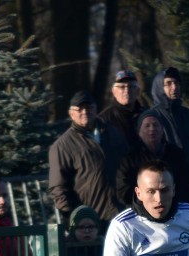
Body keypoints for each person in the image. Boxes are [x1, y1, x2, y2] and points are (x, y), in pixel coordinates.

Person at [49, 91, 129, 224]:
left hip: (122, 213)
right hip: (89, 220)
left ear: (96, 109)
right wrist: (74, 217)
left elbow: (130, 166)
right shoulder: (62, 146)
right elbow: (58, 188)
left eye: (89, 108)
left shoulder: (113, 133)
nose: (85, 112)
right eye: (79, 109)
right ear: (71, 113)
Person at [149, 67, 189, 209]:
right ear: (159, 86)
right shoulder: (152, 118)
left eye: (177, 83)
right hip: (167, 192)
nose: (174, 87)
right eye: (169, 83)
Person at [115, 109, 189, 207]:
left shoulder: (176, 155)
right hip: (140, 213)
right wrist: (147, 202)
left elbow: (187, 184)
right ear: (139, 131)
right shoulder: (130, 158)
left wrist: (169, 201)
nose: (152, 129)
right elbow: (123, 191)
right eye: (147, 126)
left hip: (174, 209)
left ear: (162, 130)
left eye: (155, 125)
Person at [99, 69, 147, 148]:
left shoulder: (147, 116)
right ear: (114, 92)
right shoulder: (103, 119)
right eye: (122, 87)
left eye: (131, 86)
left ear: (138, 91)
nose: (127, 91)